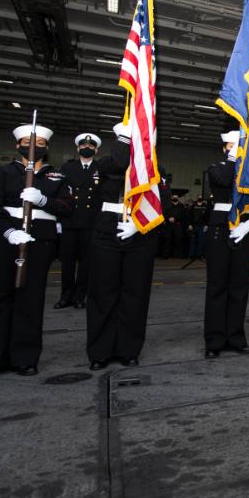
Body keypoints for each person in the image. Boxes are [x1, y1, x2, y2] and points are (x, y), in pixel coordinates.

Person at [0, 123, 73, 381]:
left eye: (39, 143)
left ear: (47, 148)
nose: (33, 146)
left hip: (40, 241)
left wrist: (43, 201)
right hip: (5, 239)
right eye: (28, 142)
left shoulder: (57, 178)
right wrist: (8, 231)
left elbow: (67, 207)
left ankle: (25, 358)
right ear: (17, 145)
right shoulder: (3, 174)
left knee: (31, 300)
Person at [86, 122, 168, 370]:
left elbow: (164, 206)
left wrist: (140, 224)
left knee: (135, 295)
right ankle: (100, 351)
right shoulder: (104, 165)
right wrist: (124, 141)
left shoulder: (155, 169)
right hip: (107, 229)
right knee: (103, 293)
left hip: (140, 232)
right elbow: (119, 164)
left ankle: (129, 349)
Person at [203, 131, 249, 358]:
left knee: (239, 287)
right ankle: (214, 340)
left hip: (243, 231)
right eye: (230, 145)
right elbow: (225, 180)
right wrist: (232, 159)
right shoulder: (216, 167)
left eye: (239, 145)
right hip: (220, 229)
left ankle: (236, 337)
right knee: (217, 287)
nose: (235, 148)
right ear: (224, 148)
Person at [56, 133, 103, 309]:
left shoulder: (101, 168)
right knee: (67, 261)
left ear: (96, 150)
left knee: (86, 263)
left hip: (91, 222)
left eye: (91, 146)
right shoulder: (68, 167)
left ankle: (80, 296)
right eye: (83, 145)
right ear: (78, 148)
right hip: (70, 220)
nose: (87, 148)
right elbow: (60, 193)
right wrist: (58, 219)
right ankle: (65, 296)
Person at [188, 195, 209, 259]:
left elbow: (208, 216)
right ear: (197, 198)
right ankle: (191, 255)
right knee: (193, 241)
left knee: (201, 241)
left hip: (202, 226)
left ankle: (199, 255)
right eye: (199, 197)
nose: (200, 198)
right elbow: (189, 215)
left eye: (201, 197)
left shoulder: (206, 206)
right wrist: (189, 224)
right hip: (194, 226)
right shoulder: (193, 206)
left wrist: (206, 225)